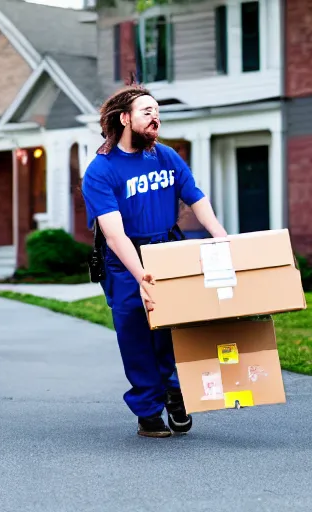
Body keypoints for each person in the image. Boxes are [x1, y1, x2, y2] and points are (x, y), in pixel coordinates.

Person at [81, 83, 228, 438]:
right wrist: (143, 278)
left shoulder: (165, 156)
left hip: (168, 250)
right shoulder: (101, 171)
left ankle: (176, 394)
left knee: (174, 329)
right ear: (125, 118)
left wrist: (221, 237)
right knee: (136, 336)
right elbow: (115, 235)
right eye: (147, 112)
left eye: (158, 112)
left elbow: (195, 197)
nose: (155, 118)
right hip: (125, 258)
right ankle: (148, 409)